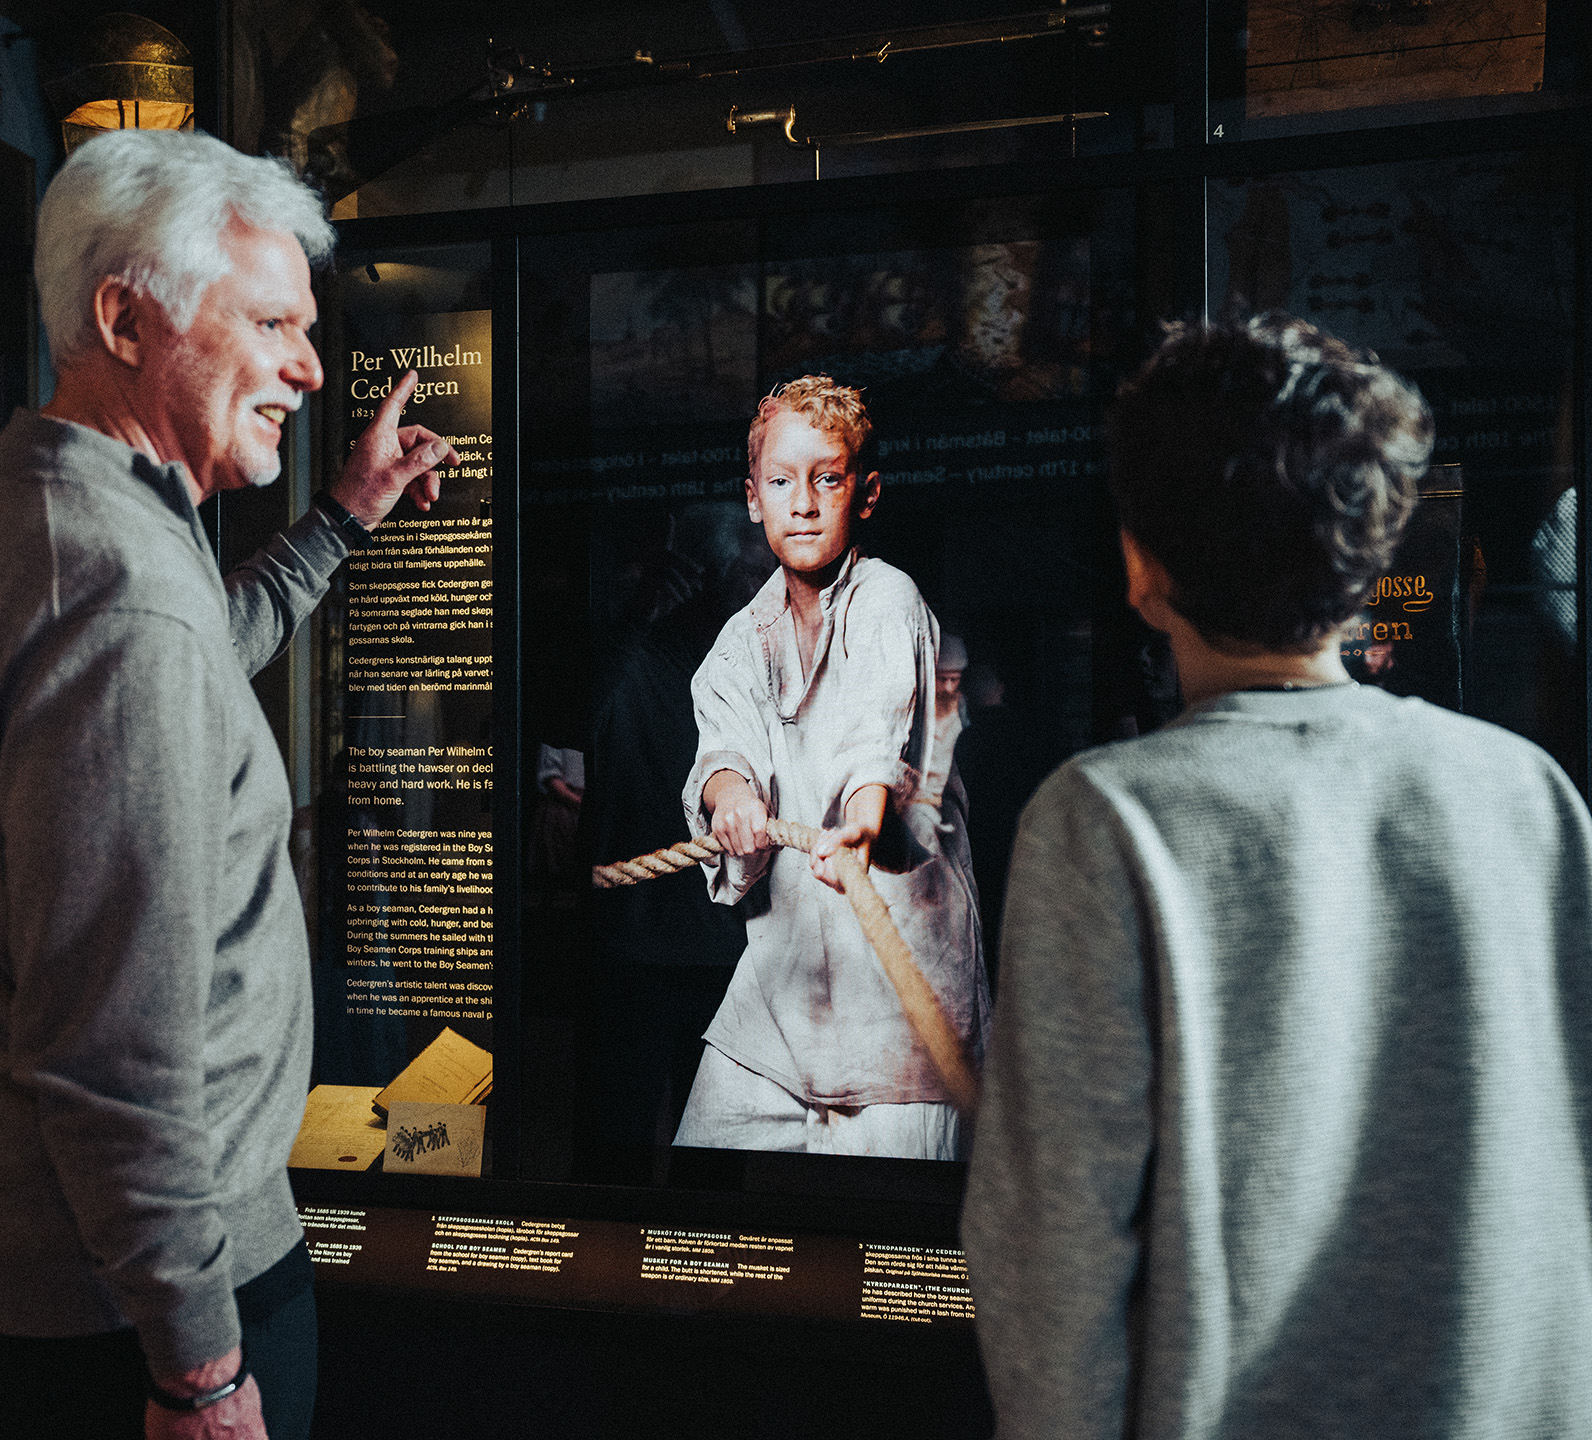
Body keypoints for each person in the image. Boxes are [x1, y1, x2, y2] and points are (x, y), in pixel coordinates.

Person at [0, 129, 457, 1440]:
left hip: (46, 1279)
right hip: (145, 1315)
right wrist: (198, 1368)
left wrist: (343, 520)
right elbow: (112, 1044)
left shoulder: (11, 521)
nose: (311, 367)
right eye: (271, 320)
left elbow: (189, 666)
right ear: (125, 318)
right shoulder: (119, 586)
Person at [963, 315, 1592, 1438]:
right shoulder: (1528, 797)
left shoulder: (1102, 824)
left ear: (1141, 564)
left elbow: (1054, 1256)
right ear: (1373, 553)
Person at [672, 375, 990, 1160]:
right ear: (754, 499)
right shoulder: (739, 642)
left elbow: (871, 738)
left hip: (901, 1013)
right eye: (781, 482)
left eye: (828, 479)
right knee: (701, 1198)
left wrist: (860, 822)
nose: (804, 503)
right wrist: (731, 797)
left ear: (866, 493)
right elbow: (723, 752)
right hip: (779, 1006)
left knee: (878, 1246)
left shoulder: (888, 599)